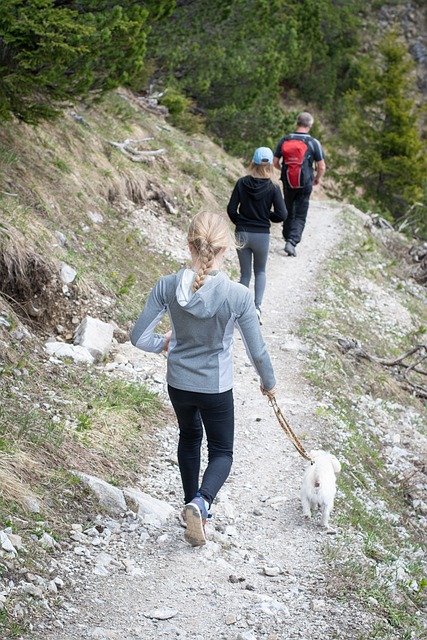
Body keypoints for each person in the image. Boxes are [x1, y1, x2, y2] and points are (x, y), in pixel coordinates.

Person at [130, 211, 277, 547]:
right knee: (222, 451)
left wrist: (164, 343)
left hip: (178, 383)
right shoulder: (238, 295)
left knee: (189, 436)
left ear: (188, 245)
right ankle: (201, 503)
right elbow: (258, 352)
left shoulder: (166, 286)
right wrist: (268, 382)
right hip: (215, 386)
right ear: (227, 249)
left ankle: (189, 506)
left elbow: (138, 337)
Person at [227, 147, 287, 325]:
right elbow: (282, 214)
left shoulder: (241, 182)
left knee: (244, 274)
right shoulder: (273, 187)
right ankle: (256, 308)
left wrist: (241, 221)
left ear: (252, 161)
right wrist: (267, 216)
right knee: (260, 271)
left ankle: (238, 311)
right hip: (261, 235)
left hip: (243, 233)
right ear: (271, 166)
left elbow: (231, 209)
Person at [273, 112, 326, 257]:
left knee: (288, 207)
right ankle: (292, 241)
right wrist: (317, 179)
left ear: (297, 123)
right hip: (305, 182)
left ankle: (286, 234)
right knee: (300, 213)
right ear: (310, 125)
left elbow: (275, 162)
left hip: (288, 180)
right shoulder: (314, 142)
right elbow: (321, 166)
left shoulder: (285, 139)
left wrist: (284, 171)